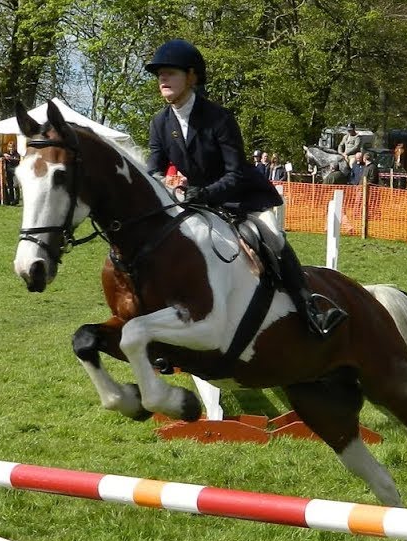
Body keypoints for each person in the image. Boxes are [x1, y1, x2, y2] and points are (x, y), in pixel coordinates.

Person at [144, 38, 345, 337]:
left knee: (272, 238)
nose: (162, 78)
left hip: (240, 198)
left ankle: (310, 308)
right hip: (195, 202)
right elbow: (153, 169)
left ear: (192, 76)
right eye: (159, 73)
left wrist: (204, 193)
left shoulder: (219, 118)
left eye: (170, 72)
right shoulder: (160, 122)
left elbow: (236, 173)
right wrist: (166, 183)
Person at [1, 139, 21, 205]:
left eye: (12, 147)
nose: (11, 148)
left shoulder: (17, 154)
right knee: (10, 186)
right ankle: (12, 200)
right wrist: (4, 155)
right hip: (8, 172)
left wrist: (10, 158)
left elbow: (18, 159)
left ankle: (17, 199)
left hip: (15, 172)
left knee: (15, 185)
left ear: (14, 147)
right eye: (9, 147)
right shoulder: (7, 154)